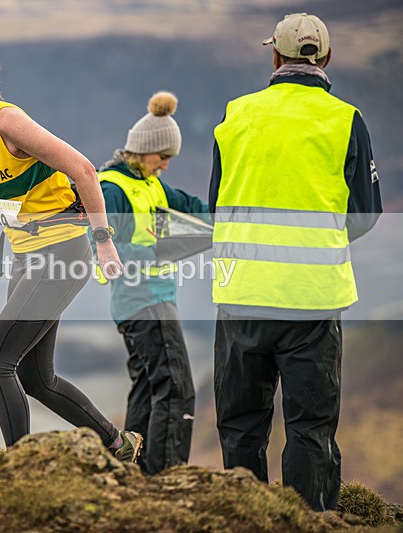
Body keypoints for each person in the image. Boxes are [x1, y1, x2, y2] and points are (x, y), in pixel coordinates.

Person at [0, 42, 140, 461]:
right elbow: (7, 193)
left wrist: (104, 241)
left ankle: (17, 470)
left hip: (61, 252)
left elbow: (84, 170)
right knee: (34, 377)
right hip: (27, 257)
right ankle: (118, 444)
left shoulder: (11, 122)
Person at [208, 13, 382, 511]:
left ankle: (244, 521)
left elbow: (219, 201)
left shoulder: (235, 115)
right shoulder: (347, 120)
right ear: (325, 58)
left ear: (275, 56)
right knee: (310, 430)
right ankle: (312, 524)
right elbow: (365, 214)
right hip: (313, 301)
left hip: (241, 296)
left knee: (241, 427)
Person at [97, 92, 210, 475]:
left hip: (146, 302)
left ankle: (136, 472)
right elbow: (110, 249)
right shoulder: (113, 189)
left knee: (148, 387)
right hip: (143, 301)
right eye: (162, 156)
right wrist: (166, 250)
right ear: (143, 151)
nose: (165, 166)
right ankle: (167, 477)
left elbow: (194, 207)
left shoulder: (150, 185)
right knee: (177, 389)